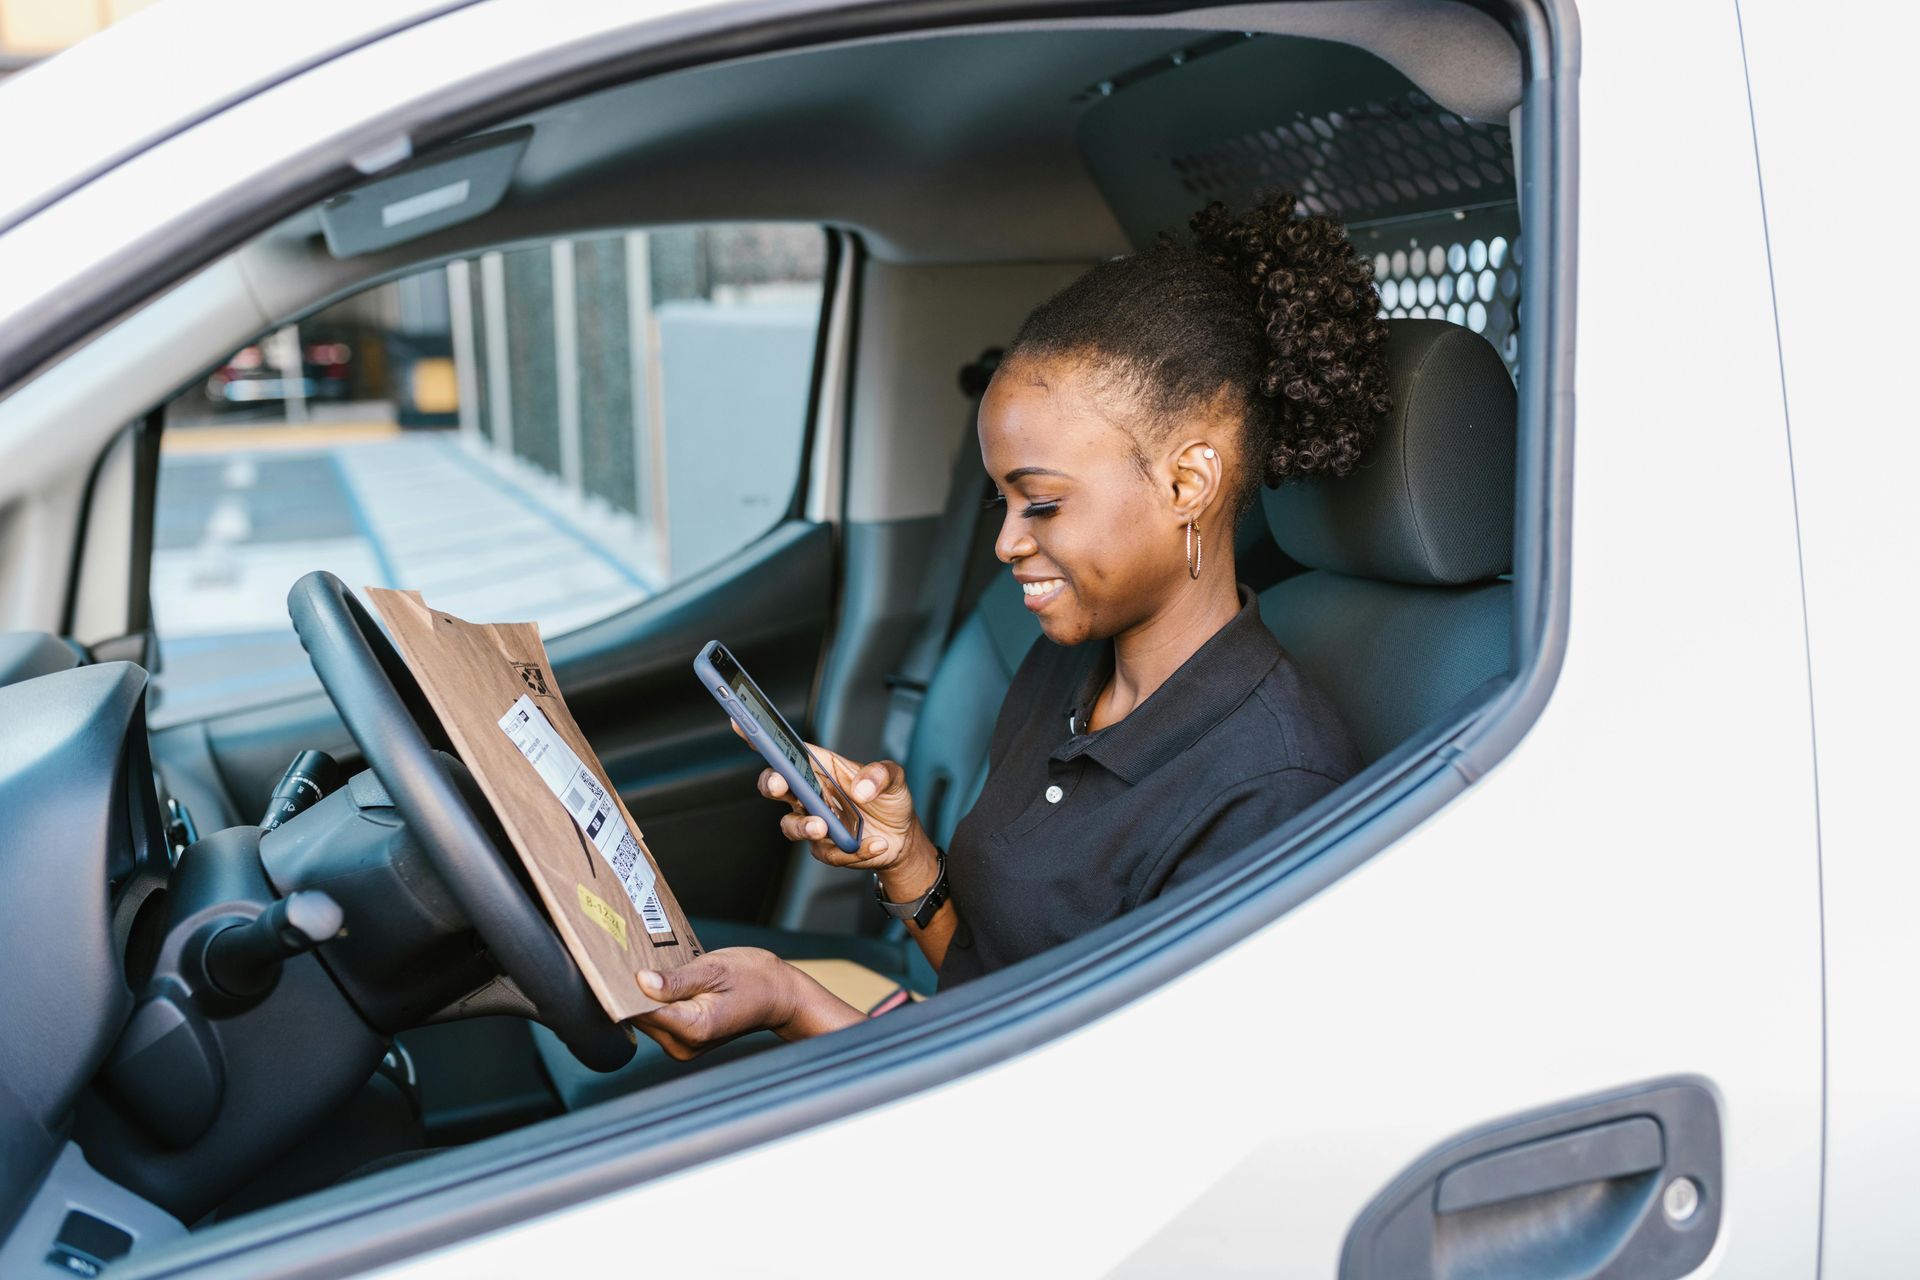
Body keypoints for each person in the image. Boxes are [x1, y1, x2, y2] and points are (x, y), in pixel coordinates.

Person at [631, 193, 1387, 1060]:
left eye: (1045, 502)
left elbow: (1080, 1119)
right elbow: (1000, 983)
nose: (1004, 541)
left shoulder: (1271, 794)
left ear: (1188, 484)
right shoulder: (1066, 671)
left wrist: (794, 1001)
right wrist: (904, 858)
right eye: (1003, 499)